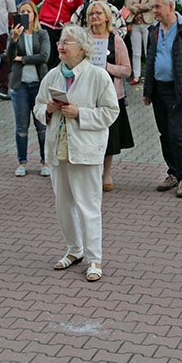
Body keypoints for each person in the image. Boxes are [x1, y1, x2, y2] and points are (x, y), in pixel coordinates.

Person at [33, 25, 119, 282]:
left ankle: (94, 259)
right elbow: (37, 106)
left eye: (67, 42)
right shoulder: (52, 76)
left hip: (85, 150)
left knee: (88, 206)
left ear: (82, 48)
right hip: (58, 149)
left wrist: (80, 113)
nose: (61, 46)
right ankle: (74, 250)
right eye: (60, 41)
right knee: (63, 204)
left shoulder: (97, 76)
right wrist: (47, 110)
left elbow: (110, 112)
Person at [145, 0, 182, 197]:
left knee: (177, 134)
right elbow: (149, 60)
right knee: (164, 134)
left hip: (177, 89)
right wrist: (147, 91)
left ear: (170, 7)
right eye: (153, 7)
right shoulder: (153, 30)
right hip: (158, 89)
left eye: (157, 7)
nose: (154, 11)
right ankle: (173, 172)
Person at [86, 0, 133, 192]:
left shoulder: (115, 39)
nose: (94, 17)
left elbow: (127, 70)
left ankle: (106, 172)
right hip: (87, 95)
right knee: (89, 134)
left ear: (107, 16)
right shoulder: (83, 38)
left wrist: (107, 67)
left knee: (109, 136)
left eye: (98, 13)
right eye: (91, 14)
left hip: (110, 95)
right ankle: (90, 172)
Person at [7, 1, 51, 178]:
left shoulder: (42, 33)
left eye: (28, 11)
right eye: (22, 11)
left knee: (42, 125)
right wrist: (14, 40)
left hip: (39, 84)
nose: (25, 14)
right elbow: (9, 58)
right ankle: (22, 162)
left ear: (34, 14)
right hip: (20, 85)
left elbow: (44, 56)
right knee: (21, 126)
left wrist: (22, 58)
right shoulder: (14, 34)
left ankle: (45, 161)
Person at [31, 0, 84, 69]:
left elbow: (80, 13)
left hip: (61, 30)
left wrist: (71, 23)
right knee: (45, 56)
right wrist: (33, 19)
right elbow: (34, 1)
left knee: (58, 58)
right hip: (45, 26)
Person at [125, 0, 154, 85]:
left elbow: (150, 6)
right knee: (136, 52)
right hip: (135, 24)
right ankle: (136, 75)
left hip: (147, 23)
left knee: (148, 51)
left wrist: (137, 5)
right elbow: (128, 4)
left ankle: (149, 75)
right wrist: (138, 8)